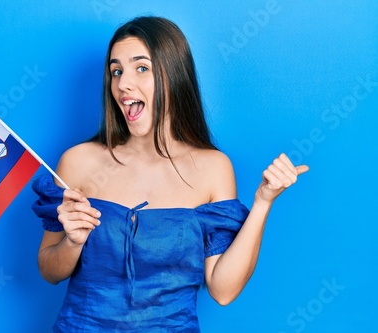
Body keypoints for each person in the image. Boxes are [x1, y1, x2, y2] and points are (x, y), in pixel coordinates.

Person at [32, 16, 308, 332]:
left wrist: (262, 202)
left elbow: (223, 290)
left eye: (141, 68)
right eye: (116, 71)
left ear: (174, 75)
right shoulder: (77, 161)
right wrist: (72, 242)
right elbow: (49, 270)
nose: (123, 84)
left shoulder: (213, 168)